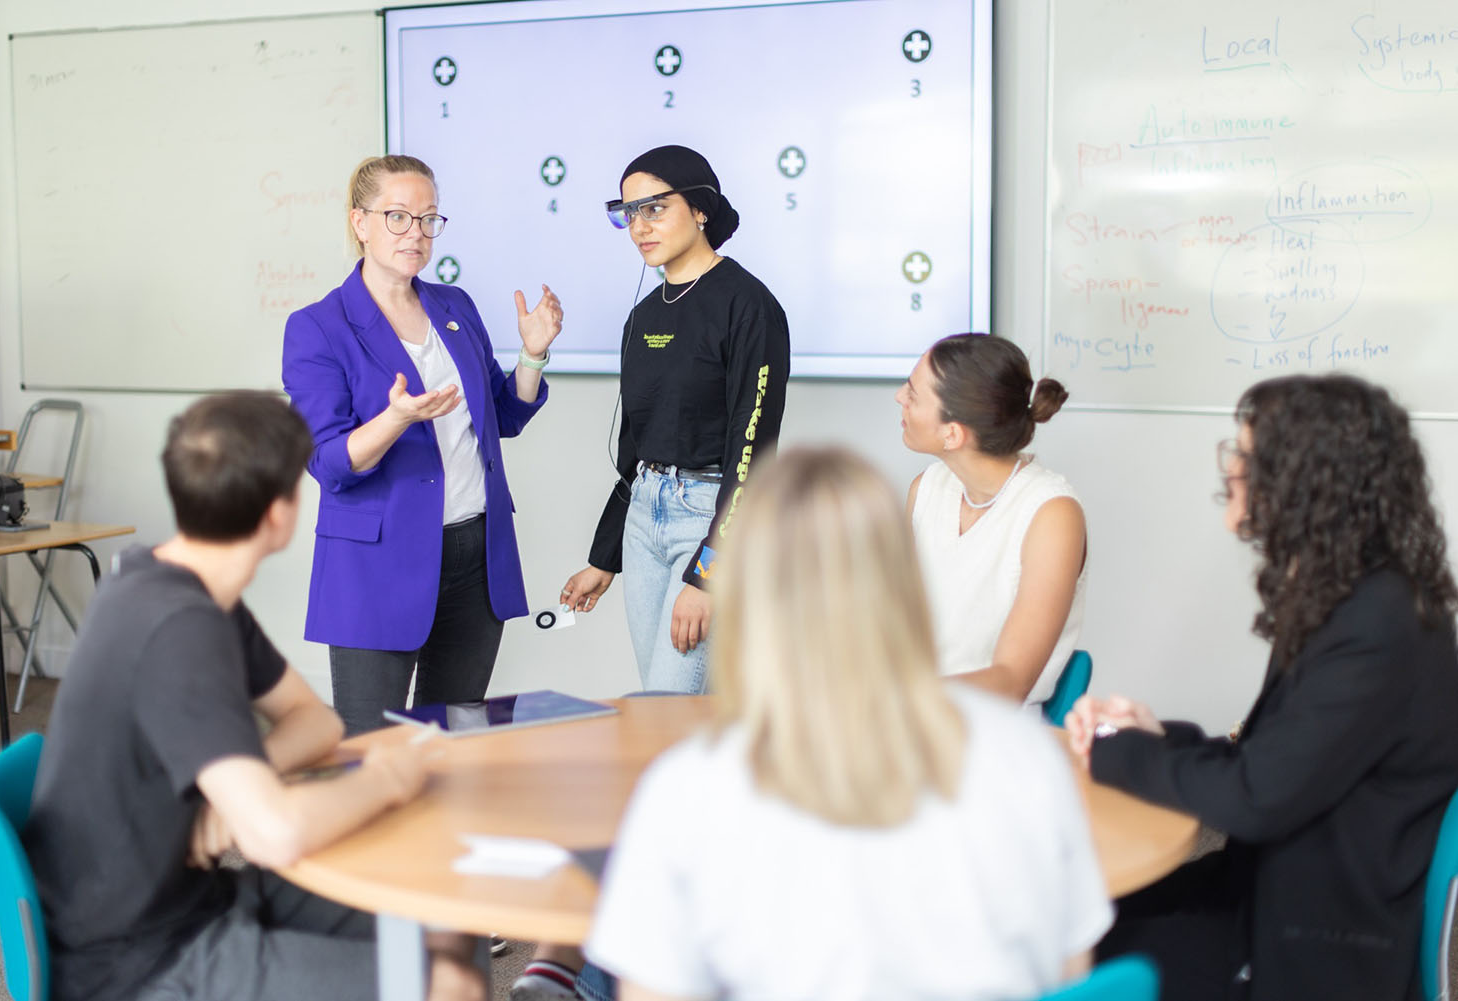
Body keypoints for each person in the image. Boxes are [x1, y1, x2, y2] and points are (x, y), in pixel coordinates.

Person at [580, 447, 1113, 1001]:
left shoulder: (690, 788)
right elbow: (1069, 975)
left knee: (607, 942)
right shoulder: (1028, 762)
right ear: (900, 579)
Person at [22, 393, 481, 1001]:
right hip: (138, 959)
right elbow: (274, 836)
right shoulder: (179, 627)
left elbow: (313, 722)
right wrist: (388, 779)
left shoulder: (172, 581)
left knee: (444, 911)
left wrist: (227, 803)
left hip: (186, 901)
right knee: (450, 986)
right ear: (279, 515)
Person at [1066, 374, 1458, 1001]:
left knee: (1072, 948)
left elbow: (1256, 796)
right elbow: (1275, 760)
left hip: (1315, 944)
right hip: (1279, 891)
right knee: (1080, 923)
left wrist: (1113, 752)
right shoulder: (1353, 594)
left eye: (1247, 460)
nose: (1233, 474)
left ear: (1307, 482)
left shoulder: (1378, 624)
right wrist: (1157, 737)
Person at [283, 154, 561, 735]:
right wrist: (395, 418)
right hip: (376, 565)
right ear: (360, 222)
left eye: (429, 219)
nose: (417, 233)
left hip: (475, 555)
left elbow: (502, 417)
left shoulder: (454, 307)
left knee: (454, 741)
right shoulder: (317, 327)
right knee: (373, 746)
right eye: (398, 217)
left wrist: (532, 354)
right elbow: (330, 463)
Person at [557, 144, 789, 694]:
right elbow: (636, 450)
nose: (639, 226)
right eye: (629, 212)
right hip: (643, 520)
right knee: (662, 706)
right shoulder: (641, 318)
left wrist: (710, 574)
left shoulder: (748, 306)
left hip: (711, 517)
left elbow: (752, 451)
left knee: (671, 707)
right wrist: (603, 556)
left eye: (655, 208)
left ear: (701, 208)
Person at [897, 332, 1086, 706]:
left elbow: (1011, 681)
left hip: (995, 732)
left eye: (912, 394)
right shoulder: (927, 489)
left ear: (952, 434)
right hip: (912, 722)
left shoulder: (1052, 514)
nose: (900, 398)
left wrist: (898, 699)